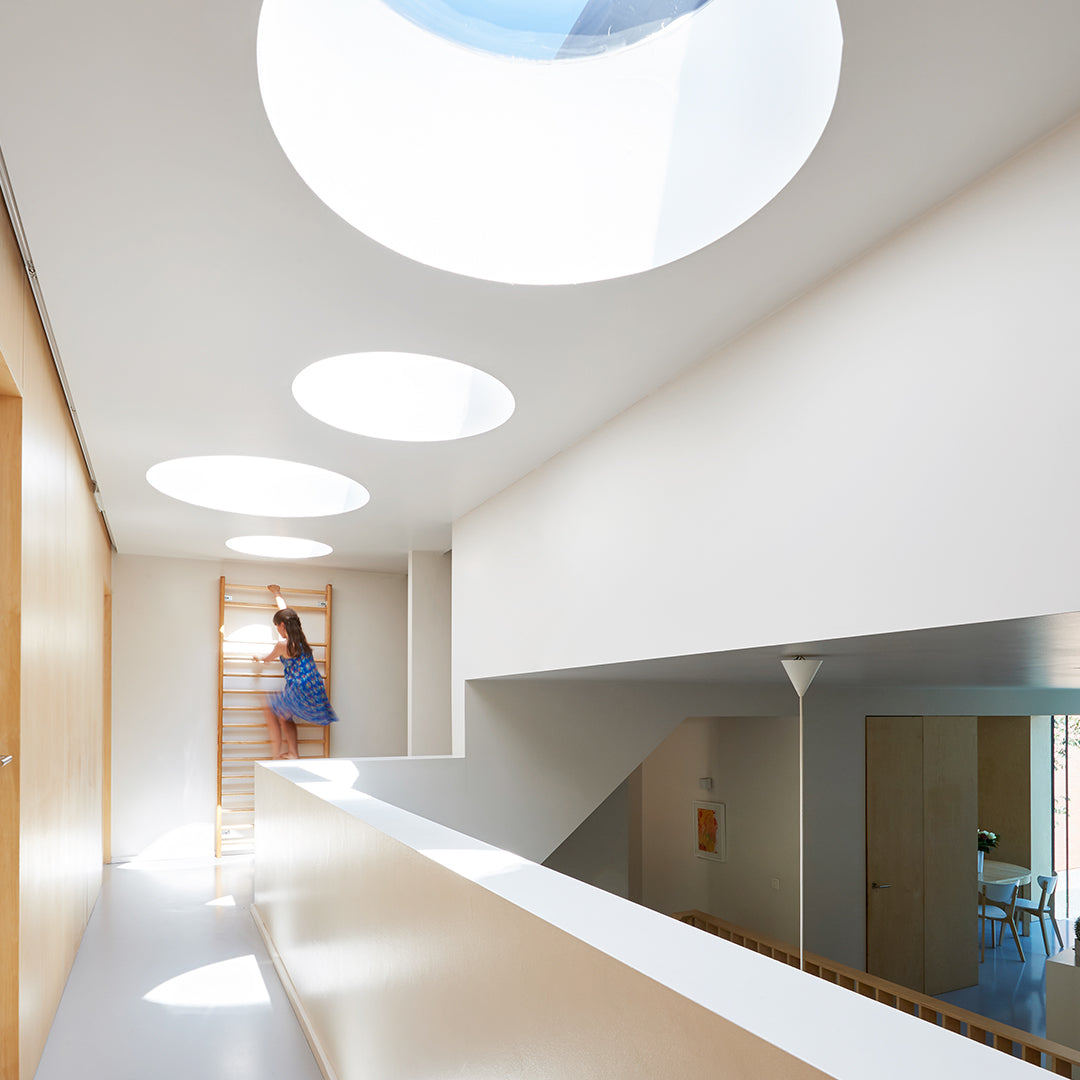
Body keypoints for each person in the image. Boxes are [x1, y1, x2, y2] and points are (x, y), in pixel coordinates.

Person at [254, 584, 338, 759]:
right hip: (313, 685)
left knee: (269, 706)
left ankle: (275, 755)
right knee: (284, 717)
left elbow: (267, 659)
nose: (277, 630)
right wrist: (277, 593)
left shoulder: (283, 645)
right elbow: (286, 613)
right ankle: (293, 753)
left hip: (300, 687)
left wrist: (258, 658)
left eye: (277, 626)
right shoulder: (300, 637)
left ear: (282, 625)